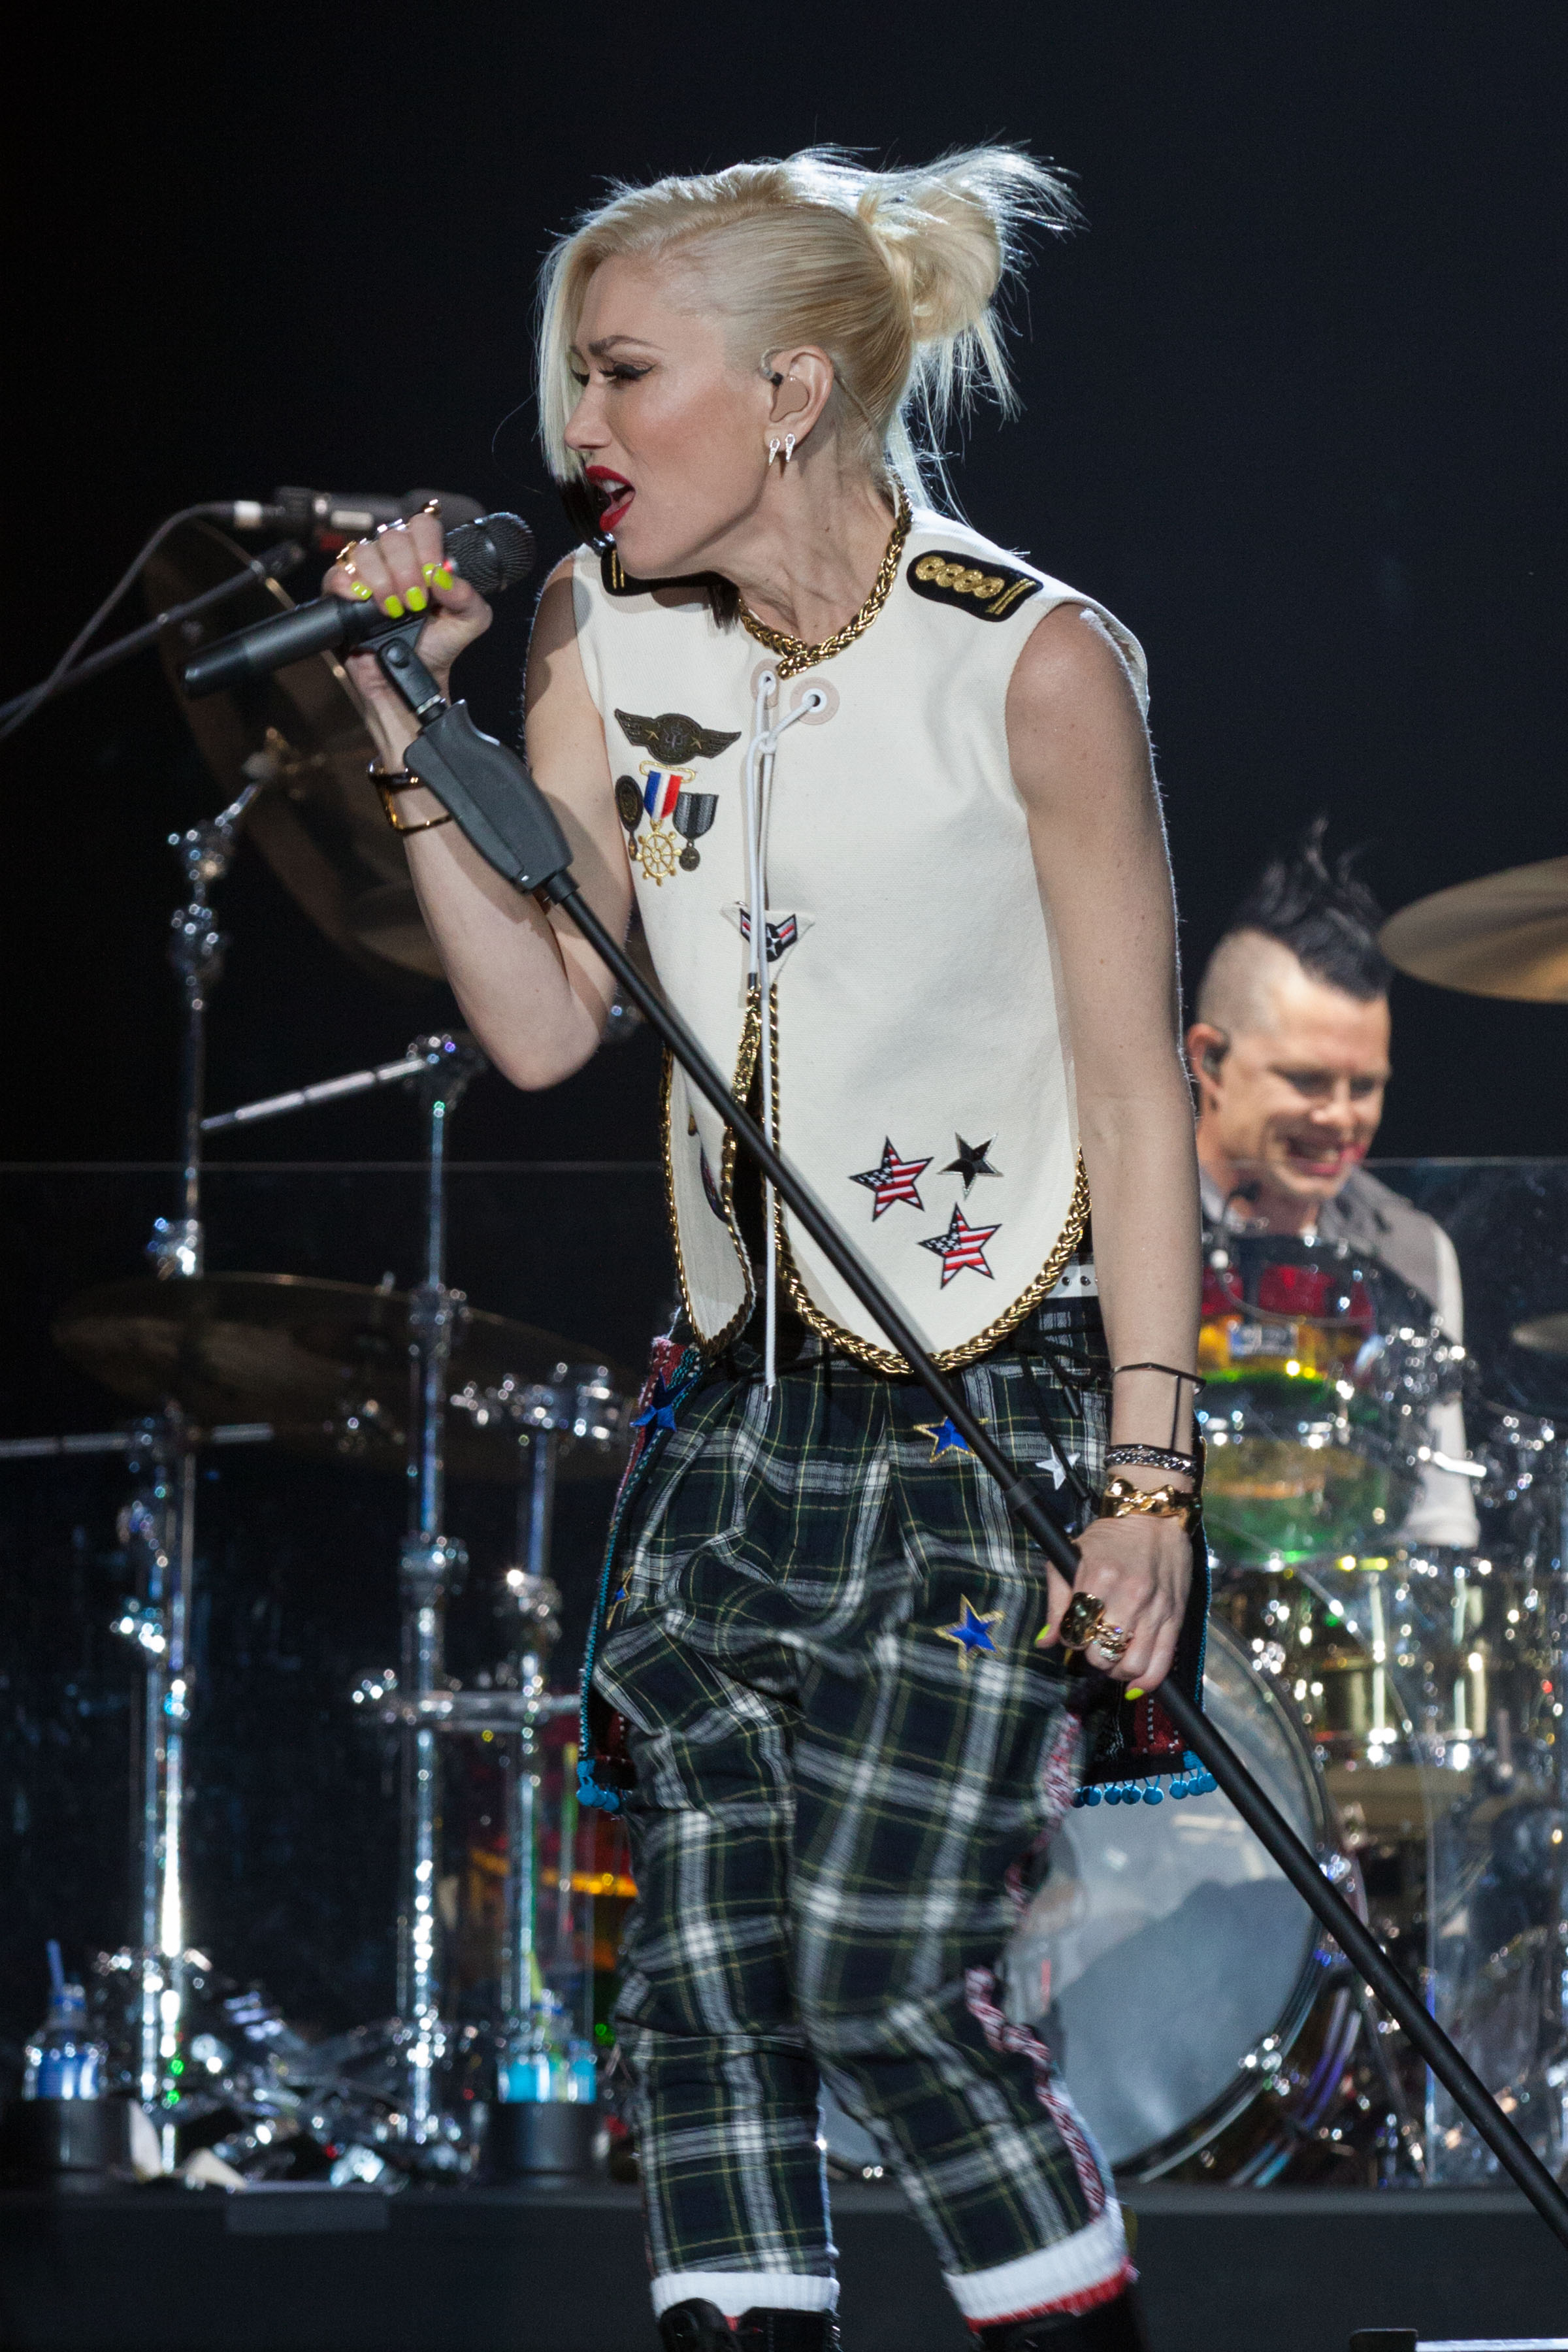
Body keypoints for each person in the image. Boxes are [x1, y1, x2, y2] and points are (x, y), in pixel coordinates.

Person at [327, 150, 1204, 2351]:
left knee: (885, 1978)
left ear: (793, 389)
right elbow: (548, 1024)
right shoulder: (592, 632)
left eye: (624, 375)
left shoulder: (1031, 662)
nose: (577, 434)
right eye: (575, 380)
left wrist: (1150, 1474)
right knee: (703, 2003)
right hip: (736, 1435)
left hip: (981, 1420)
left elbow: (1134, 1101)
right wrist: (400, 722)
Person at [1186, 825, 1478, 1549]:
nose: (1342, 1117)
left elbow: (1437, 1522)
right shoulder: (1113, 1227)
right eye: (1308, 1080)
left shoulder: (1411, 1249)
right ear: (1211, 1061)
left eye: (1365, 1086)